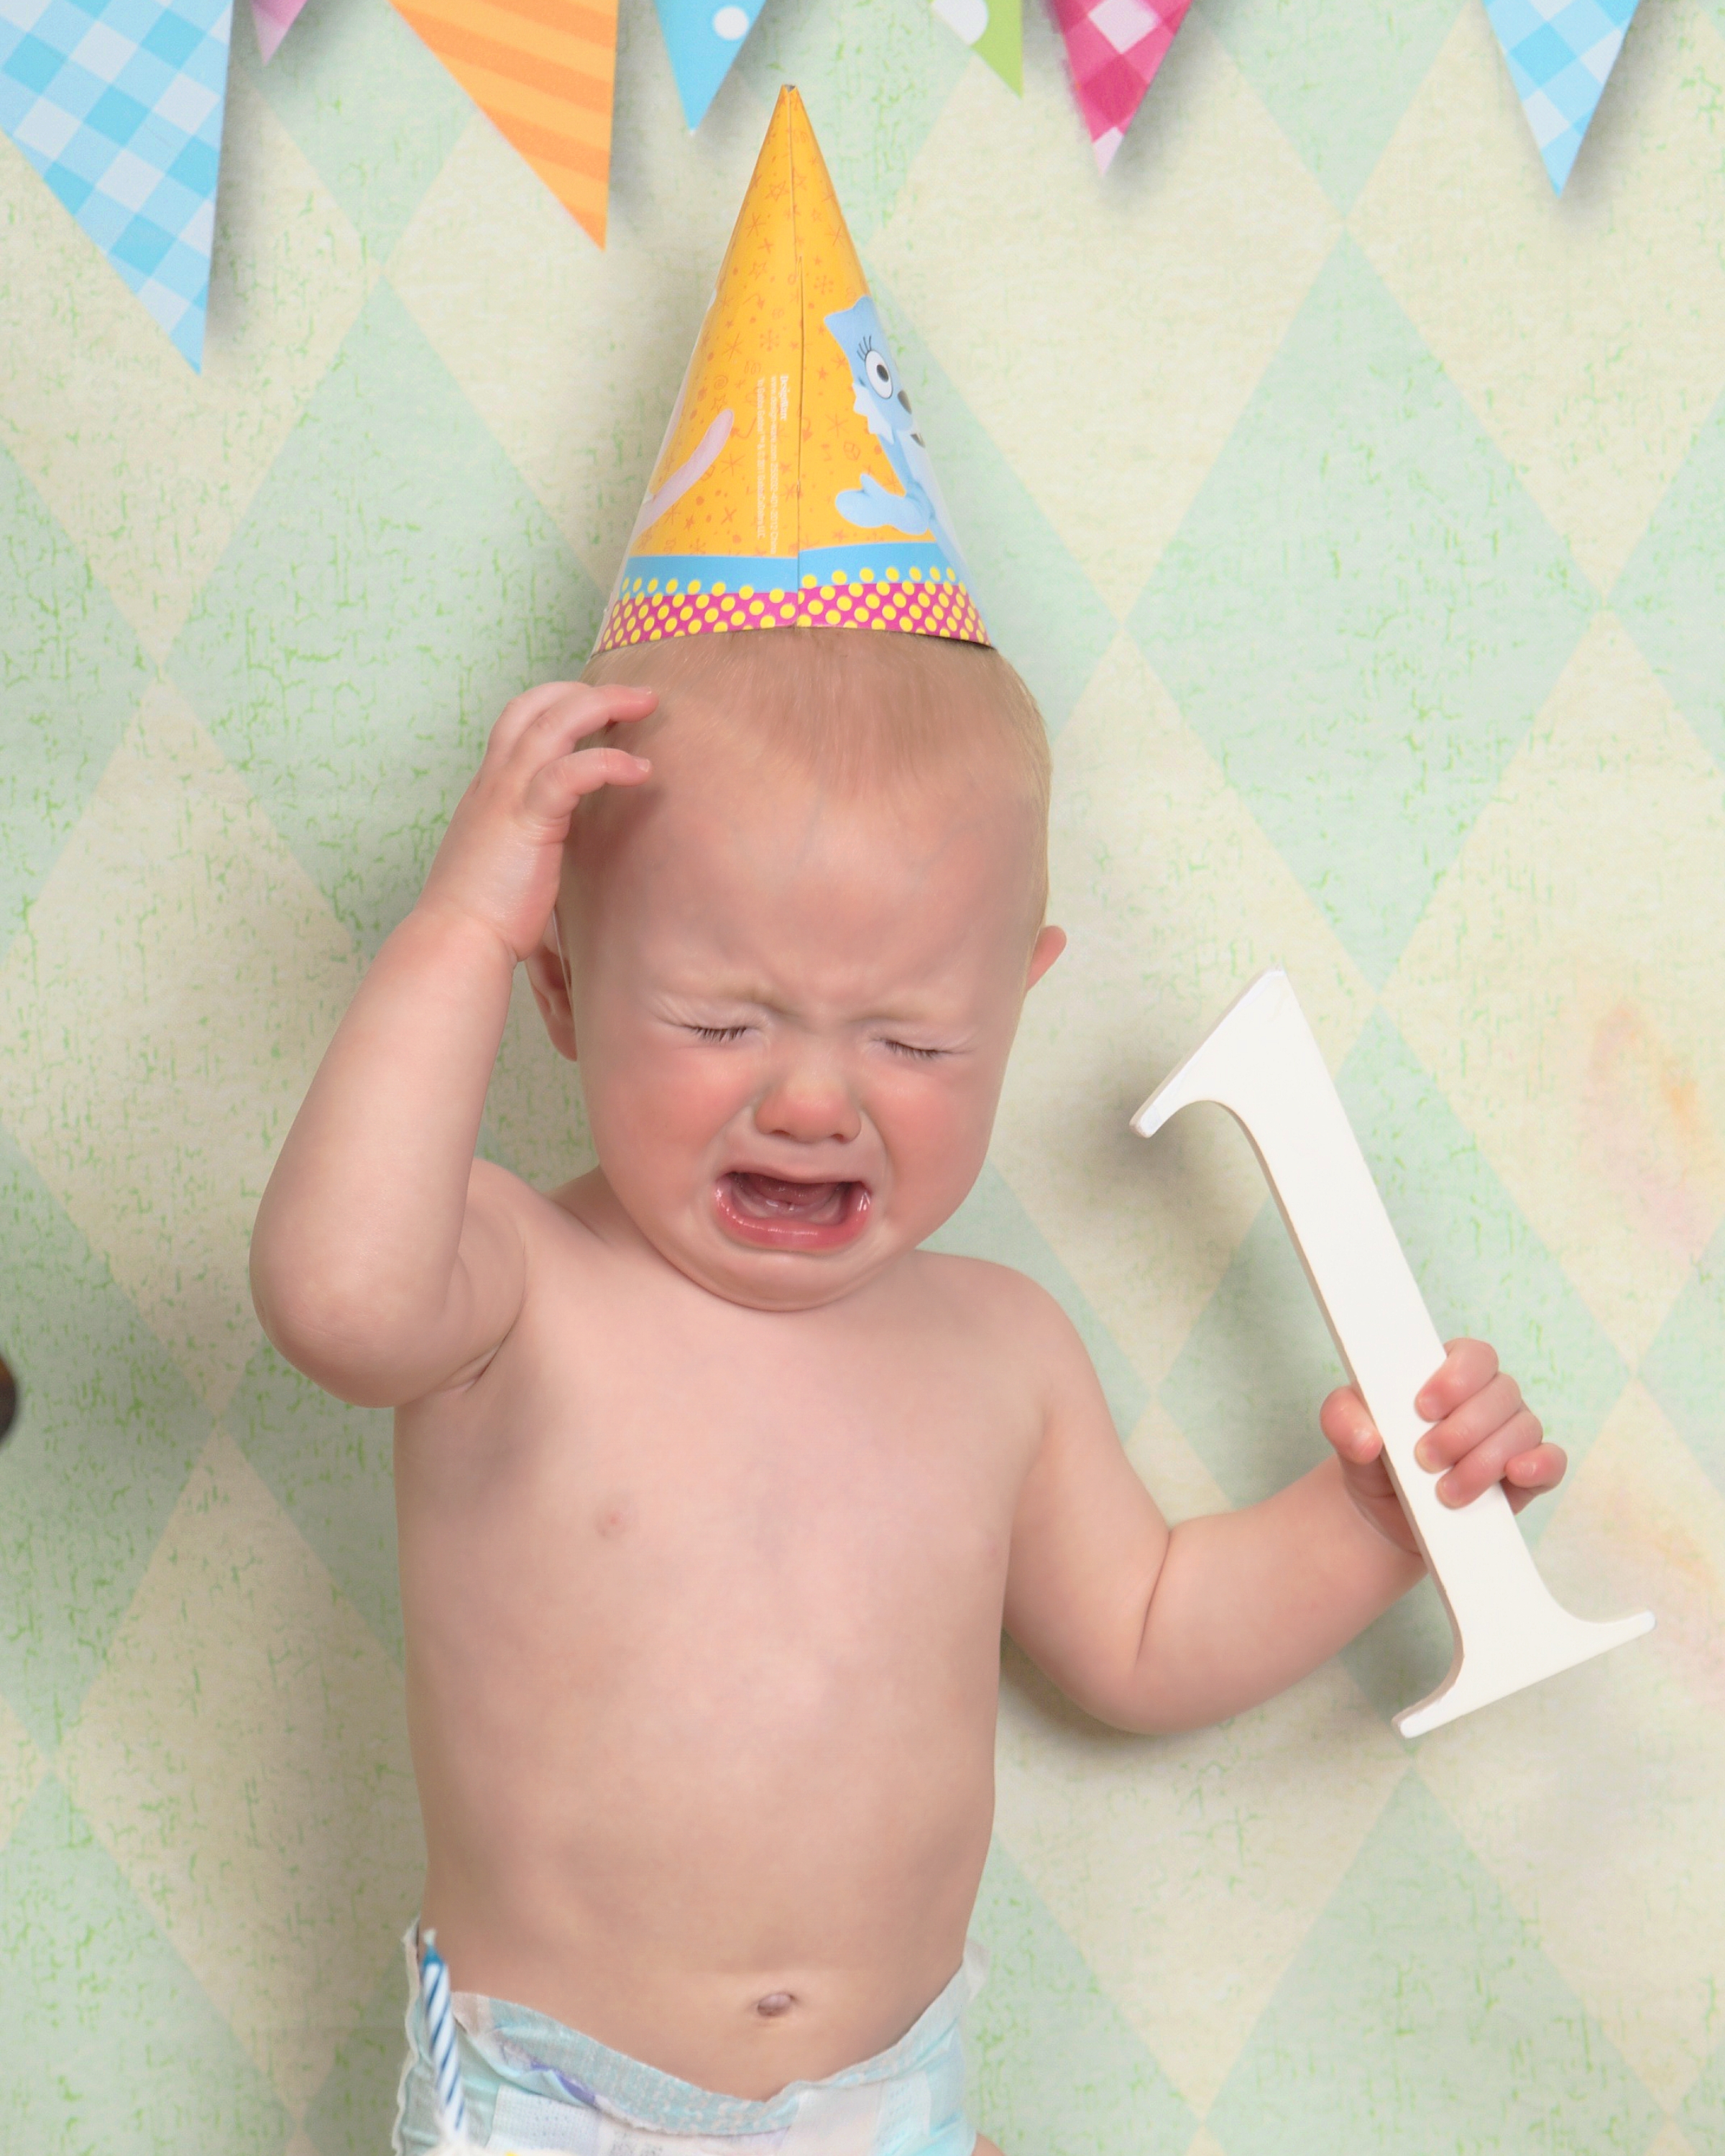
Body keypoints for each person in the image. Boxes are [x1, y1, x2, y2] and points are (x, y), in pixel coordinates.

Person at [248, 93, 1563, 2156]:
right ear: (562, 995)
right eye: (721, 1019)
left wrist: (1375, 1524)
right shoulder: (511, 1285)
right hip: (552, 2100)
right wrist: (457, 922)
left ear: (1019, 1004)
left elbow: (1142, 1634)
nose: (814, 1095)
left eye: (913, 1041)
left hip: (889, 2100)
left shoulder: (996, 1352)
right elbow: (331, 1293)